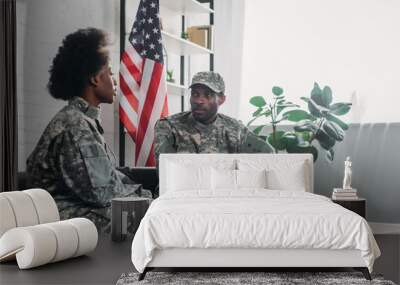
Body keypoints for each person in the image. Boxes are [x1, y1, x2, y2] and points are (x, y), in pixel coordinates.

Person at [26, 28, 150, 231]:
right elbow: (105, 195)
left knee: (146, 211)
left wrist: (146, 194)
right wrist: (149, 199)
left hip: (75, 209)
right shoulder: (76, 126)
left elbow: (110, 179)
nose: (115, 80)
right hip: (55, 220)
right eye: (110, 73)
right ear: (95, 78)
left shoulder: (83, 120)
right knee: (139, 217)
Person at [154, 71, 274, 165]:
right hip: (181, 193)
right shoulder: (169, 126)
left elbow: (269, 155)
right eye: (195, 94)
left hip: (223, 192)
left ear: (221, 99)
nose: (199, 101)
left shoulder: (235, 129)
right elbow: (165, 172)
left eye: (208, 95)